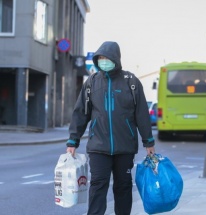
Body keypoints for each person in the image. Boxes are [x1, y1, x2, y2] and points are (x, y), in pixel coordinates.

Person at [66, 41, 155, 215]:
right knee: (98, 184)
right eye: (100, 58)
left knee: (123, 186)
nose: (103, 61)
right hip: (98, 147)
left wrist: (148, 141)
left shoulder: (131, 82)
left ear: (116, 58)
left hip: (125, 146)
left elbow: (142, 113)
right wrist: (73, 140)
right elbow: (81, 113)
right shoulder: (91, 83)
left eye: (106, 57)